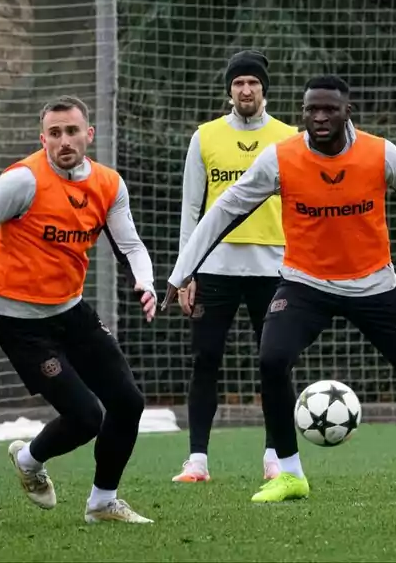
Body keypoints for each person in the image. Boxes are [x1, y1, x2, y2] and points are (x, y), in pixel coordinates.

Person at [163, 75, 396, 504]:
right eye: (312, 109)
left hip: (374, 284)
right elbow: (225, 210)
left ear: (347, 111)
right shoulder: (280, 158)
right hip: (304, 283)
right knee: (272, 359)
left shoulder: (380, 153)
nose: (320, 117)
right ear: (302, 113)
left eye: (329, 108)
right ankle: (289, 474)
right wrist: (181, 272)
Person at [0, 95, 157, 525]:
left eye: (72, 131)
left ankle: (102, 503)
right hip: (19, 321)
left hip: (70, 309)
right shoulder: (23, 181)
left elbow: (130, 243)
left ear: (88, 135)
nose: (64, 140)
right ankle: (28, 459)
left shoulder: (108, 184)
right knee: (85, 418)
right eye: (55, 133)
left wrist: (145, 280)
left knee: (128, 402)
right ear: (43, 139)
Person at [171, 51, 298, 484]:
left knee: (275, 363)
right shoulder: (204, 136)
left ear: (264, 89)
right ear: (229, 89)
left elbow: (302, 205)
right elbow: (191, 207)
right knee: (205, 359)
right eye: (239, 83)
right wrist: (185, 271)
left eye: (253, 83)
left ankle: (275, 457)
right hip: (215, 266)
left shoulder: (289, 136)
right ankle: (197, 460)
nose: (246, 90)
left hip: (275, 266)